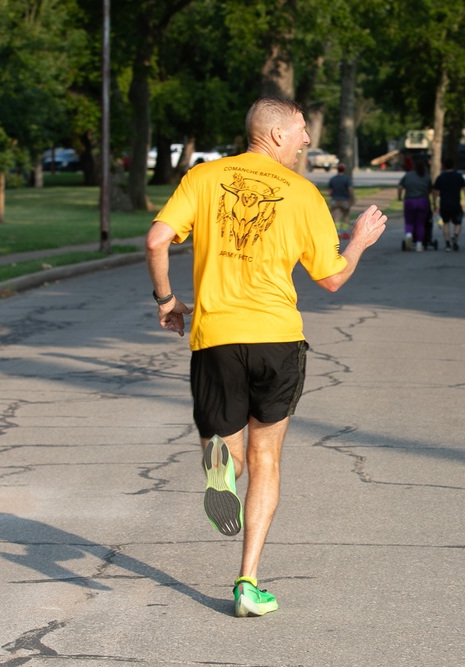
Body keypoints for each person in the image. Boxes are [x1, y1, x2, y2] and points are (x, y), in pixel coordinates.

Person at [144, 97, 387, 618]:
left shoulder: (203, 178)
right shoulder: (303, 195)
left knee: (228, 451)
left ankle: (218, 468)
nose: (305, 140)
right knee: (267, 459)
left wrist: (167, 300)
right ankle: (248, 582)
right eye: (300, 131)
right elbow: (332, 278)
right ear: (275, 135)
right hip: (277, 340)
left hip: (217, 338)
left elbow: (157, 239)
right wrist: (361, 240)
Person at [432, 157, 465, 252]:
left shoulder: (441, 177)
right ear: (453, 166)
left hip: (444, 204)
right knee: (458, 223)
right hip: (456, 204)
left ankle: (447, 243)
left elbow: (435, 191)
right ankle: (455, 236)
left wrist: (434, 203)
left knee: (446, 223)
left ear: (444, 166)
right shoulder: (458, 176)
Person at [397, 157, 433, 251]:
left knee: (409, 221)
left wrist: (400, 197)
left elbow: (400, 187)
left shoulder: (408, 175)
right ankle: (419, 244)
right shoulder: (426, 176)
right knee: (420, 223)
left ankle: (409, 234)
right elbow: (430, 189)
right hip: (423, 201)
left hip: (410, 201)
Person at [327, 163, 354, 239]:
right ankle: (345, 232)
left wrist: (332, 195)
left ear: (337, 169)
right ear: (344, 170)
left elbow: (329, 191)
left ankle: (338, 233)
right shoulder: (347, 179)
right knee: (345, 216)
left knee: (336, 217)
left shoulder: (333, 179)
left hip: (335, 200)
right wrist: (351, 197)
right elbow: (349, 189)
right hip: (344, 199)